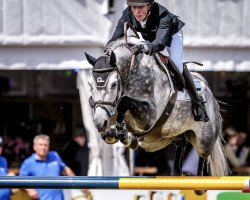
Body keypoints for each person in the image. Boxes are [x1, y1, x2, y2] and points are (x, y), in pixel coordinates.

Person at [108, 0, 208, 122]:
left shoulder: (163, 14)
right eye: (133, 7)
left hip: (172, 36)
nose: (136, 12)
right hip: (150, 37)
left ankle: (198, 103)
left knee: (177, 64)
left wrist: (145, 47)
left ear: (149, 6)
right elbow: (115, 38)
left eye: (141, 7)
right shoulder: (127, 14)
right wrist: (107, 53)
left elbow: (160, 43)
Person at [19, 134, 75, 200]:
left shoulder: (54, 155)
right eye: (40, 145)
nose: (43, 147)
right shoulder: (28, 162)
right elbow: (20, 180)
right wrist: (30, 190)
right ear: (34, 147)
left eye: (45, 145)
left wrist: (78, 183)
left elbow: (65, 170)